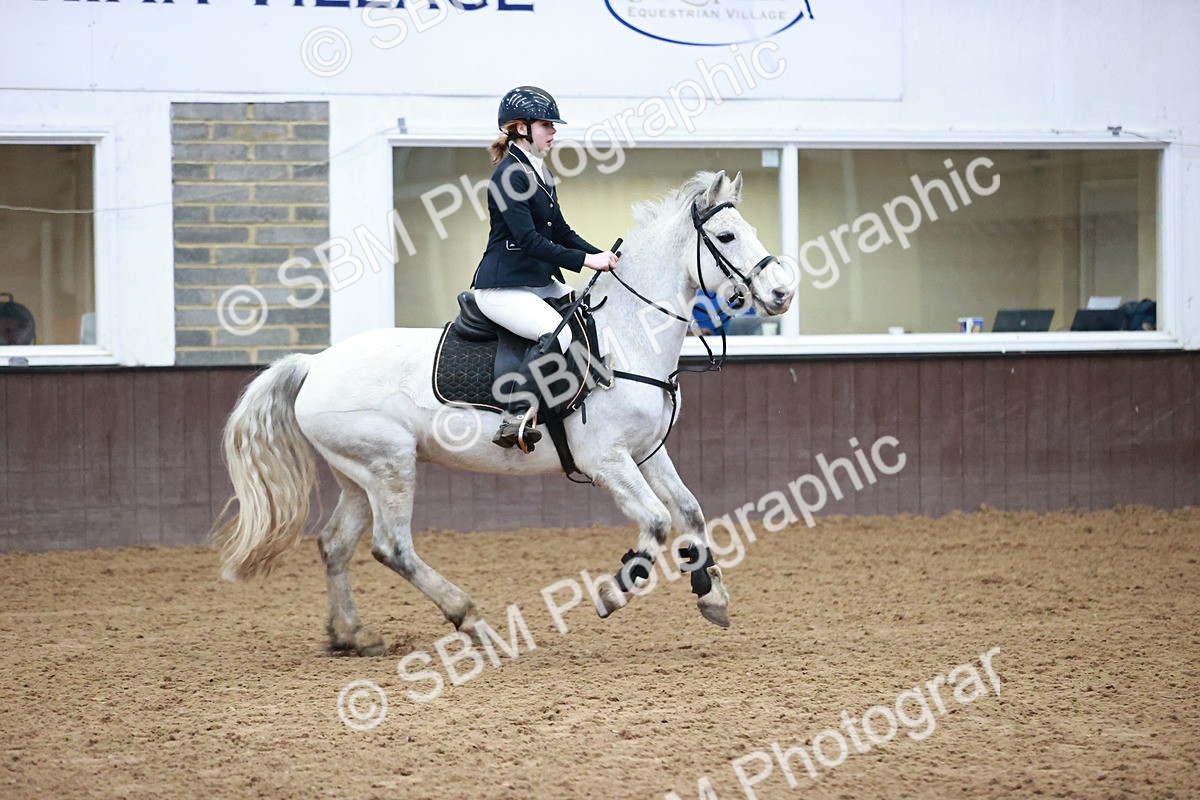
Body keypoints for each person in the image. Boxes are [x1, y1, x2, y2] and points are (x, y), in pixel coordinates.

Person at [472, 86, 618, 450]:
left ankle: (591, 377)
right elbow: (529, 242)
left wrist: (604, 256)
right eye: (546, 124)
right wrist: (587, 262)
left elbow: (562, 232)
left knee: (588, 311)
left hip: (535, 282)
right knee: (558, 333)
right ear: (521, 128)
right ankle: (516, 414)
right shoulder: (510, 176)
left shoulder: (539, 171)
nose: (553, 131)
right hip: (502, 287)